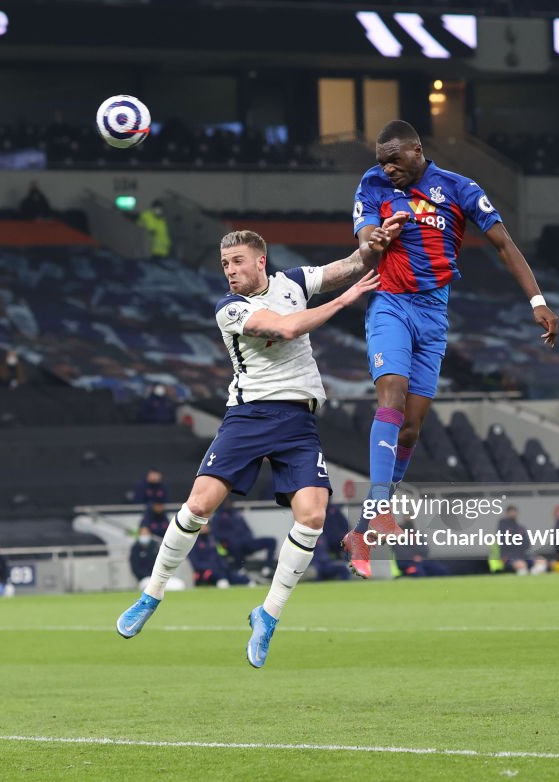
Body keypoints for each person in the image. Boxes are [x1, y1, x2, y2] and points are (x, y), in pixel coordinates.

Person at [116, 217, 403, 667]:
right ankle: (151, 595)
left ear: (260, 261)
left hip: (297, 420)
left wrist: (377, 241)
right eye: (224, 263)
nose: (229, 270)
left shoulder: (293, 281)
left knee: (312, 516)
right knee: (198, 506)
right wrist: (346, 300)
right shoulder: (228, 308)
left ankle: (267, 615)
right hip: (248, 417)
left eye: (237, 261)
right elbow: (286, 329)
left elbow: (350, 264)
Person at [341, 120, 559, 578]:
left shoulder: (459, 188)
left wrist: (537, 300)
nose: (387, 168)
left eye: (394, 159)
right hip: (390, 303)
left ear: (417, 151)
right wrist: (377, 238)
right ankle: (380, 507)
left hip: (434, 314)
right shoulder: (373, 183)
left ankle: (361, 532)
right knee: (392, 393)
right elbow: (364, 238)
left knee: (412, 430)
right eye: (381, 161)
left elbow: (503, 243)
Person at [211, 497, 277, 576]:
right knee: (236, 544)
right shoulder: (218, 516)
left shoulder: (236, 514)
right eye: (226, 501)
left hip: (247, 543)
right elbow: (216, 533)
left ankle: (267, 568)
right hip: (231, 546)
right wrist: (230, 539)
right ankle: (240, 569)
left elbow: (247, 528)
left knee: (272, 541)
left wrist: (248, 538)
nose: (229, 503)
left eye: (230, 501)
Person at [188, 522, 251, 587]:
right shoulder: (193, 543)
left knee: (242, 579)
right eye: (202, 525)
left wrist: (224, 566)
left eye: (206, 525)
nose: (205, 527)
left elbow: (220, 556)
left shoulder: (213, 540)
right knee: (221, 579)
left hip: (219, 570)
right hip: (205, 572)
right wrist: (214, 567)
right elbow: (196, 564)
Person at [497, 506, 548, 575]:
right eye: (511, 512)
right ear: (507, 513)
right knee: (521, 564)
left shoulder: (520, 528)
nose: (513, 514)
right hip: (508, 557)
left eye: (514, 512)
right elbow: (505, 542)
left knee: (541, 560)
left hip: (522, 555)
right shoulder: (502, 526)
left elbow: (527, 543)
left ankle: (534, 574)